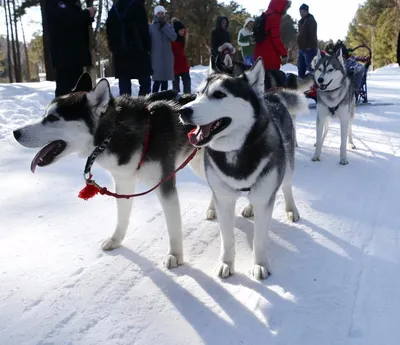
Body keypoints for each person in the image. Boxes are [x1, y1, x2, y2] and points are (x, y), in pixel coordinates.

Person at [48, 0, 97, 97]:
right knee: (65, 89)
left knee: (75, 89)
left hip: (73, 55)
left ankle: (72, 109)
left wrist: (87, 17)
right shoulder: (56, 4)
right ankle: (62, 110)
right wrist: (86, 13)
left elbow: (74, 23)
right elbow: (68, 20)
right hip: (66, 55)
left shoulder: (70, 5)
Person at [106, 0, 152, 96]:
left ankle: (126, 108)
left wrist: (113, 48)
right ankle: (143, 107)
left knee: (124, 85)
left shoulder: (114, 10)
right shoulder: (138, 6)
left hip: (120, 53)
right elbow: (144, 30)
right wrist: (147, 46)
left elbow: (109, 32)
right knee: (145, 83)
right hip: (138, 50)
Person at [253, 0, 290, 88]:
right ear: (282, 6)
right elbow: (275, 38)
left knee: (262, 80)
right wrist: (284, 53)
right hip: (270, 55)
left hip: (259, 53)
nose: (286, 10)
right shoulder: (274, 17)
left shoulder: (265, 15)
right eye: (286, 7)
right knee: (272, 82)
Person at [149, 5, 177, 93]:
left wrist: (164, 27)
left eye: (162, 13)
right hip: (156, 58)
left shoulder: (168, 26)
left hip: (167, 58)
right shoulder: (150, 27)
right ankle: (154, 99)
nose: (160, 15)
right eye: (158, 13)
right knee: (157, 81)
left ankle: (163, 100)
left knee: (165, 81)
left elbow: (173, 37)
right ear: (155, 14)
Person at [297, 3, 318, 78]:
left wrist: (310, 46)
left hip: (309, 48)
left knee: (311, 67)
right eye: (300, 11)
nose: (301, 13)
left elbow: (312, 34)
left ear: (306, 11)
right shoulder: (301, 22)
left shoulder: (311, 20)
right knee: (301, 67)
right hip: (301, 48)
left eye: (302, 11)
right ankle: (301, 81)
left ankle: (314, 84)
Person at [171, 18, 191, 94]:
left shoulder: (183, 38)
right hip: (175, 65)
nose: (183, 32)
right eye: (181, 30)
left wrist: (177, 23)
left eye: (183, 30)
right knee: (176, 87)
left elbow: (185, 31)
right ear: (176, 30)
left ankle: (187, 97)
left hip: (184, 65)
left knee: (187, 83)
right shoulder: (172, 40)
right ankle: (176, 101)